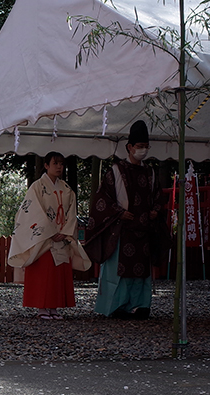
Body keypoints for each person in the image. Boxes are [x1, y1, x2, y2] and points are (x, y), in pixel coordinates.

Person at [85, 120, 170, 320]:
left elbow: (158, 197)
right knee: (118, 272)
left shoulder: (150, 172)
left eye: (145, 147)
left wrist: (156, 211)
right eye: (139, 147)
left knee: (142, 273)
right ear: (129, 147)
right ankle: (116, 307)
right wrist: (117, 212)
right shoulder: (116, 171)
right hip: (122, 229)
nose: (142, 150)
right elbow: (101, 199)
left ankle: (141, 306)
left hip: (144, 229)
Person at [7, 151, 92, 319]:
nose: (59, 167)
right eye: (55, 163)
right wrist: (50, 232)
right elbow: (32, 212)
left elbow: (72, 212)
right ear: (46, 166)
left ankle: (54, 307)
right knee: (43, 272)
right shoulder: (37, 187)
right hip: (44, 238)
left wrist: (65, 231)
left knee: (58, 273)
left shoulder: (67, 189)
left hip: (61, 235)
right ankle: (42, 308)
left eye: (61, 164)